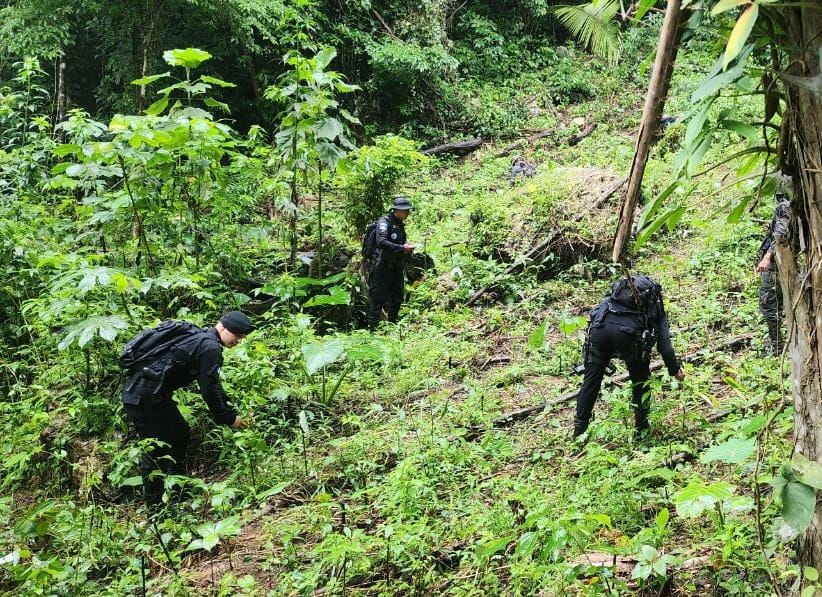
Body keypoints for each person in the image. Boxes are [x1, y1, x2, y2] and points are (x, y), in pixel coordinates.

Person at [121, 311, 254, 506]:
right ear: (223, 328)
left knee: (180, 433)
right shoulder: (210, 348)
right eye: (237, 335)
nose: (239, 341)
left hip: (148, 395)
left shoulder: (199, 337)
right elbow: (209, 390)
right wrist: (228, 418)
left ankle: (180, 493)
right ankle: (156, 511)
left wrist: (229, 410)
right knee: (156, 452)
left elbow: (212, 384)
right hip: (146, 399)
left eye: (242, 337)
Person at [573, 274, 685, 439]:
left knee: (591, 381)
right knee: (640, 379)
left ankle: (578, 432)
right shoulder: (656, 305)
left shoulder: (614, 297)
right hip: (629, 336)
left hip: (600, 329)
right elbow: (665, 345)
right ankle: (641, 428)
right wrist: (675, 370)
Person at [755, 177, 792, 355]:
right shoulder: (791, 205)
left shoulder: (785, 206)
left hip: (776, 264)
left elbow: (781, 232)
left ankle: (777, 347)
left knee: (769, 305)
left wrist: (767, 257)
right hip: (781, 262)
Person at [367, 196, 415, 328]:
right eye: (405, 211)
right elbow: (381, 242)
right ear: (397, 210)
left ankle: (392, 327)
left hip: (397, 267)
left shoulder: (400, 225)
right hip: (383, 266)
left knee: (397, 297)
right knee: (378, 298)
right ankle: (372, 330)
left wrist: (406, 245)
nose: (407, 213)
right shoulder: (384, 222)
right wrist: (402, 248)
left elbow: (398, 243)